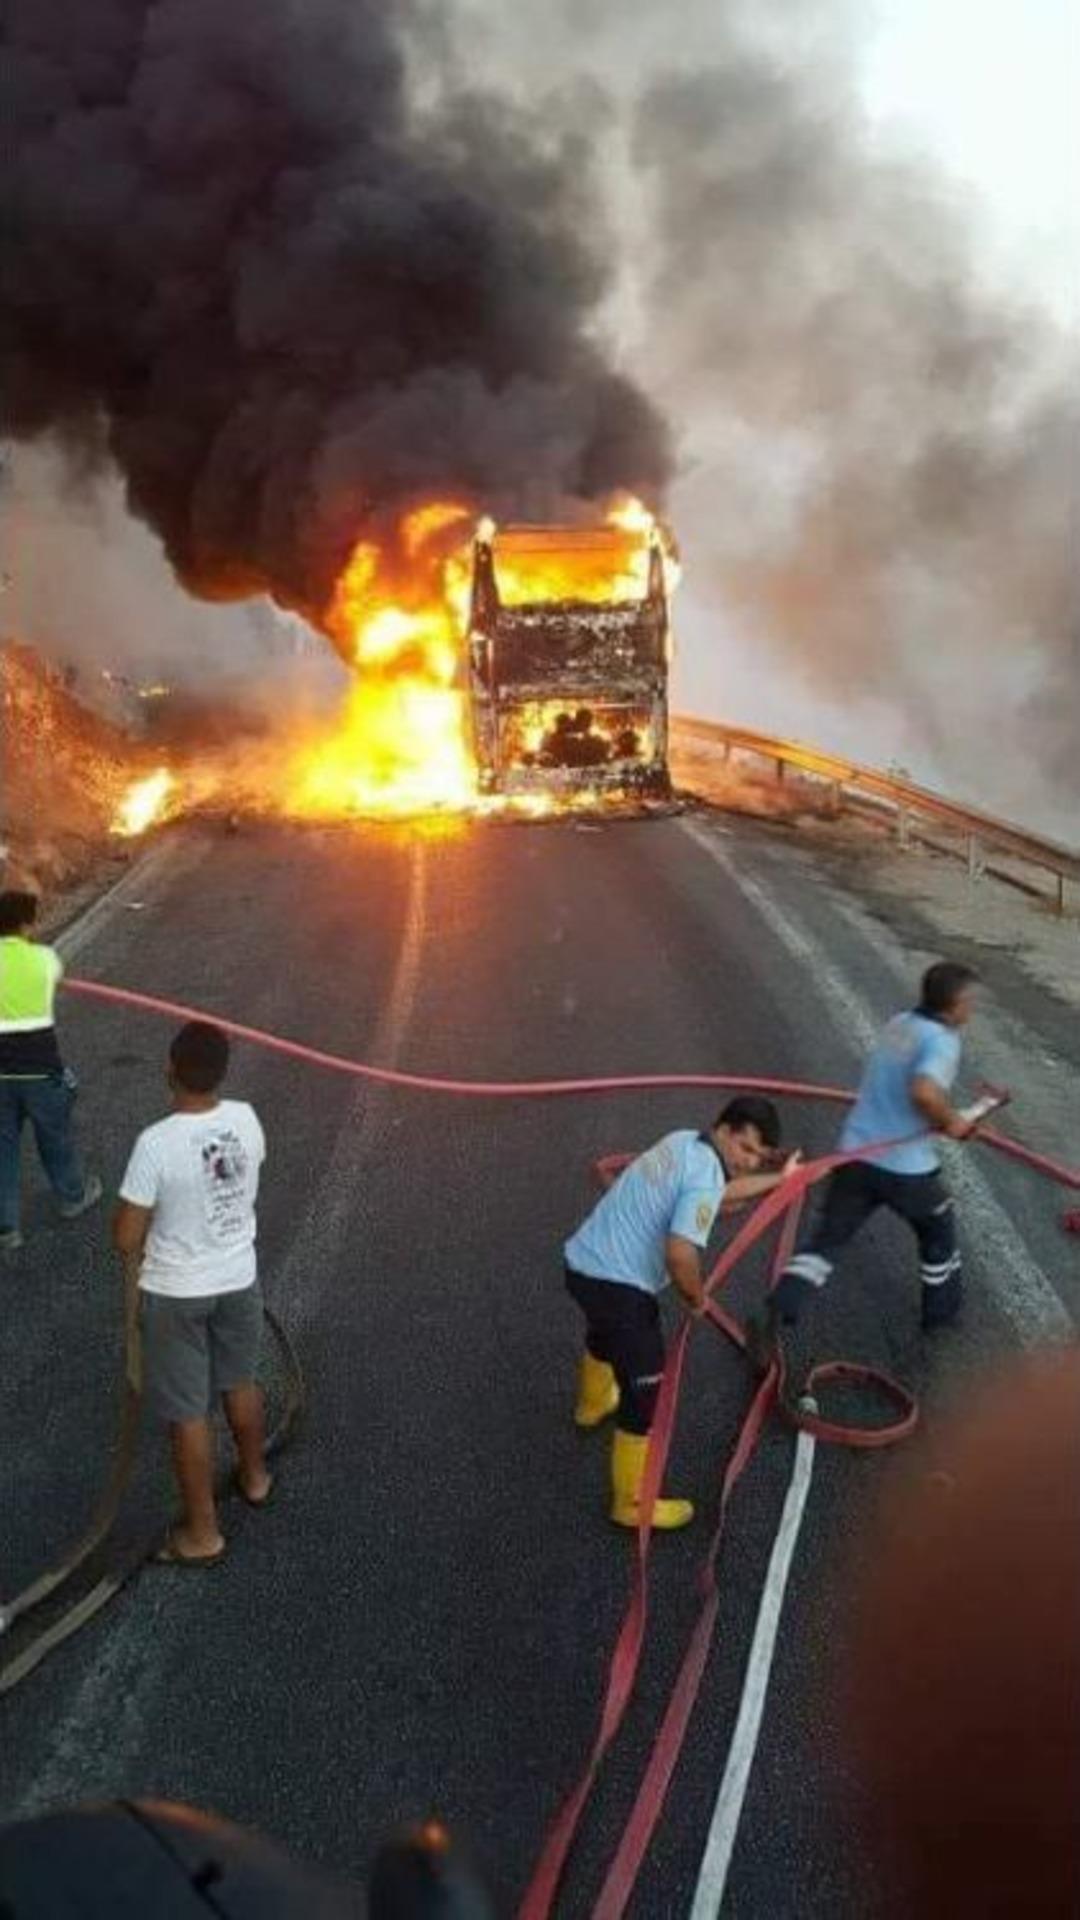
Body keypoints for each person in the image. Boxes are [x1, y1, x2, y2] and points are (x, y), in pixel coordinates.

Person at [564, 1095, 799, 1531]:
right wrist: (696, 1299)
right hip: (620, 1286)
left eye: (759, 1155)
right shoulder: (705, 1173)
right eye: (745, 1148)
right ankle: (631, 1503)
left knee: (604, 1333)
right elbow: (680, 1253)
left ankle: (592, 1405)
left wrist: (778, 1179)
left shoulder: (683, 1142)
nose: (749, 1162)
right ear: (722, 1130)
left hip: (582, 1266)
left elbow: (718, 1195)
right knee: (645, 1390)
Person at [113, 1020, 270, 1566]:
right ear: (221, 1073)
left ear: (170, 1070)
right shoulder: (246, 1119)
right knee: (240, 1381)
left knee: (188, 1412)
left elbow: (126, 1237)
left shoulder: (155, 1144)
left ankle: (203, 1534)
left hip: (176, 1293)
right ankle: (255, 1476)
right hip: (237, 1279)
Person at [770, 960, 979, 1343]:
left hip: (854, 1155)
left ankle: (782, 1305)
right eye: (969, 1001)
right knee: (938, 1231)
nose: (972, 1008)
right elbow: (924, 1092)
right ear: (953, 1005)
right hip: (906, 1169)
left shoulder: (900, 1023)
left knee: (827, 1240)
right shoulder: (943, 1040)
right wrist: (953, 1123)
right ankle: (941, 1317)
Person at [0, 889, 102, 1252]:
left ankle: (6, 1228)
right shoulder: (45, 958)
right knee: (55, 1138)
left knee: (3, 1149)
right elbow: (52, 975)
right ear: (28, 924)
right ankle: (73, 1197)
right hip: (40, 1070)